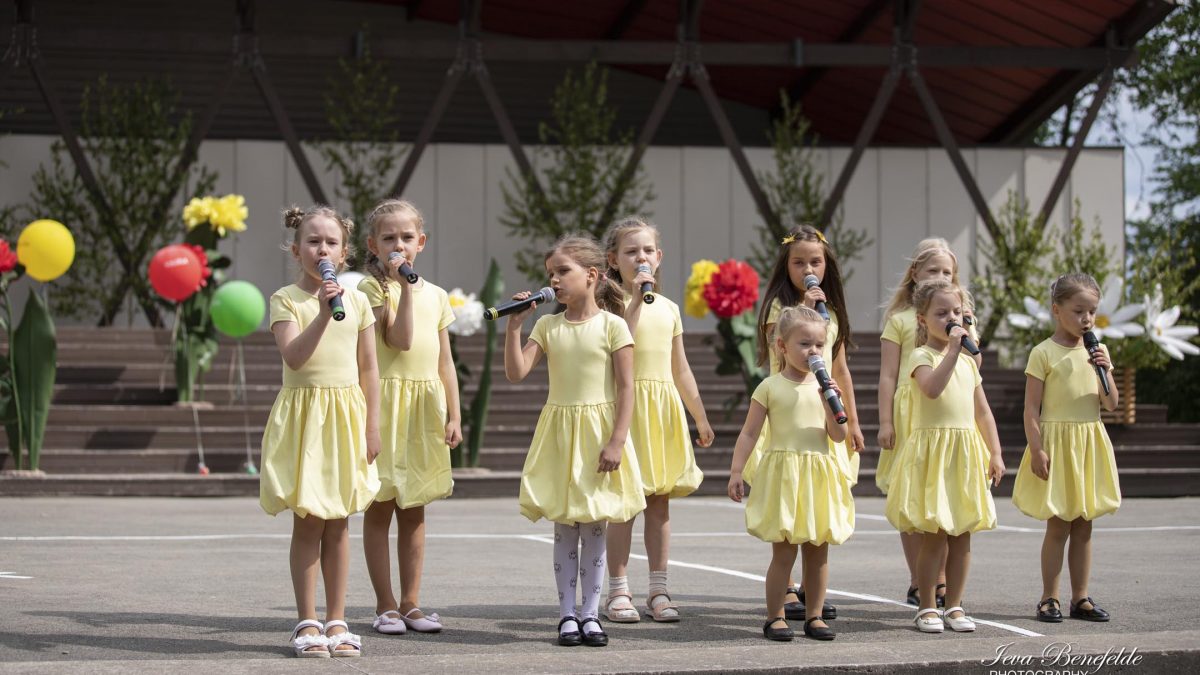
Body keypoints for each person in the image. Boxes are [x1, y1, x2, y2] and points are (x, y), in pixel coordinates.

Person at [504, 233, 646, 647]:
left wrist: (617, 440)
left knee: (595, 524)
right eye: (551, 273)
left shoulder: (613, 325)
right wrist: (515, 326)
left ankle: (591, 613)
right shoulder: (548, 326)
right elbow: (516, 372)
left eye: (563, 271)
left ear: (592, 275)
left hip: (598, 433)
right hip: (561, 434)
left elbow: (626, 388)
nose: (554, 280)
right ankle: (567, 614)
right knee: (565, 526)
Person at [260, 205, 381, 657]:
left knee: (339, 522)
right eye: (313, 242)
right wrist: (323, 313)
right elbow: (294, 357)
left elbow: (369, 368)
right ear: (296, 250)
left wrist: (372, 426)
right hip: (307, 417)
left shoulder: (359, 301)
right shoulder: (285, 299)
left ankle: (337, 619)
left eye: (331, 243)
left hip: (346, 416)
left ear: (344, 253)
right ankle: (307, 620)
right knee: (310, 519)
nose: (322, 250)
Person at [600, 216, 714, 624]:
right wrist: (634, 299)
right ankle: (618, 590)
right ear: (613, 260)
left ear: (659, 256)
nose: (641, 257)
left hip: (661, 410)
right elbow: (621, 344)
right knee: (624, 505)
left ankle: (659, 589)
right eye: (631, 251)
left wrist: (699, 415)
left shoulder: (668, 308)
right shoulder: (608, 306)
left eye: (648, 250)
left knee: (659, 502)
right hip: (626, 411)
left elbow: (680, 367)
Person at [358, 199, 461, 635]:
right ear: (373, 245)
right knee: (380, 506)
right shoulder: (371, 291)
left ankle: (411, 602)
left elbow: (445, 361)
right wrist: (401, 287)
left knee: (414, 509)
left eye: (406, 237)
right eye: (388, 238)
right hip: (385, 404)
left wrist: (454, 414)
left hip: (423, 408)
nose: (398, 245)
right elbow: (399, 340)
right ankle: (385, 604)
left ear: (421, 242)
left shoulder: (436, 295)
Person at [885, 279, 1005, 634]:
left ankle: (954, 604)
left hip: (964, 453)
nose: (951, 318)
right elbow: (932, 389)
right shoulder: (921, 357)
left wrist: (995, 451)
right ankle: (927, 605)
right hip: (934, 454)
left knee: (962, 534)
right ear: (922, 319)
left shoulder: (969, 364)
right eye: (941, 313)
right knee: (935, 534)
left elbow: (982, 412)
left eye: (956, 312)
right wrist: (953, 351)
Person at [728, 306, 853, 642]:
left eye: (819, 345)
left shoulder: (825, 388)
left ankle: (815, 615)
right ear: (782, 346)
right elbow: (749, 433)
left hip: (817, 475)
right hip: (785, 475)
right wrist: (737, 470)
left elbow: (838, 435)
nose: (813, 351)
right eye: (804, 344)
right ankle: (775, 616)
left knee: (818, 551)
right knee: (784, 552)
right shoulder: (770, 387)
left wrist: (830, 403)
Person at [1012, 273, 1120, 623]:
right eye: (1079, 311)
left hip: (1088, 444)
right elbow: (1031, 409)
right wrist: (1037, 449)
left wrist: (1105, 369)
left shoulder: (1098, 351)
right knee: (1058, 524)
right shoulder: (1043, 353)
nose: (1087, 319)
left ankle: (1081, 597)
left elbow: (1111, 404)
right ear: (1057, 310)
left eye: (1092, 312)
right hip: (1057, 444)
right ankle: (1049, 598)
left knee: (1084, 524)